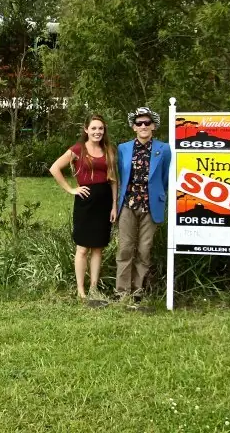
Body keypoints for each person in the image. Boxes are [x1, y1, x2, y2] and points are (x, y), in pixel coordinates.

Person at [50, 114, 118, 300]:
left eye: (101, 129)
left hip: (104, 202)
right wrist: (71, 189)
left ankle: (94, 288)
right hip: (85, 202)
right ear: (86, 130)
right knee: (82, 248)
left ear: (104, 131)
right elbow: (54, 168)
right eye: (94, 128)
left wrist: (114, 205)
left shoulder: (109, 150)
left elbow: (113, 180)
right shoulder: (78, 149)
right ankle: (81, 291)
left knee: (98, 248)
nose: (97, 132)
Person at [115, 107, 171, 308]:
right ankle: (122, 292)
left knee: (144, 249)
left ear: (153, 126)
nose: (143, 126)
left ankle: (138, 291)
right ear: (133, 127)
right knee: (125, 248)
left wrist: (158, 195)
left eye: (147, 123)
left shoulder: (164, 149)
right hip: (128, 204)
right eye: (139, 123)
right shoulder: (123, 148)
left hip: (151, 204)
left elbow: (164, 178)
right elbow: (120, 176)